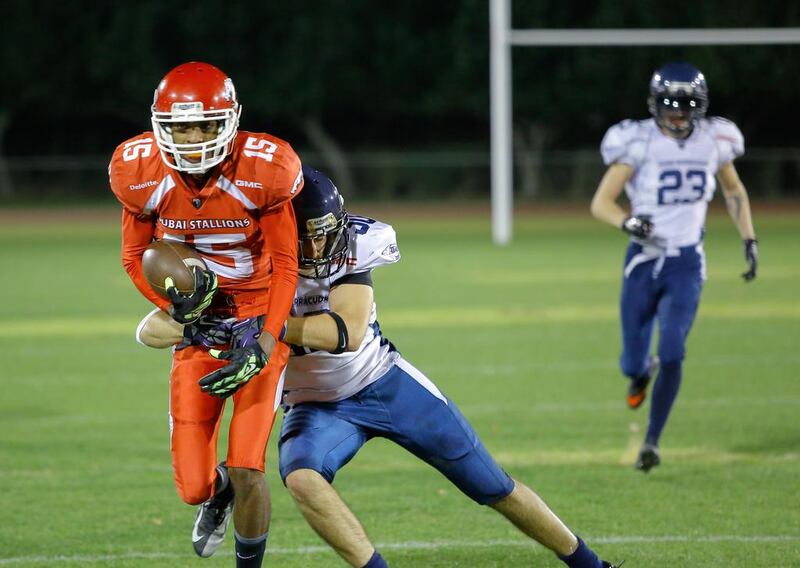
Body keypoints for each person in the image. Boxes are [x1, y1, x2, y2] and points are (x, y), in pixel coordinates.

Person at [138, 166, 620, 568]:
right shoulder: (242, 262)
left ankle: (589, 563)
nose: (316, 248)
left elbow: (342, 332)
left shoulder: (356, 244)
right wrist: (204, 328)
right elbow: (149, 330)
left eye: (323, 234)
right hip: (312, 405)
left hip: (381, 381)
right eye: (303, 237)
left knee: (492, 485)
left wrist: (263, 329)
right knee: (302, 477)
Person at [109, 61, 303, 566]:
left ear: (230, 121)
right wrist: (181, 313)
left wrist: (265, 340)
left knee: (247, 464)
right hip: (200, 325)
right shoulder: (140, 172)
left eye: (205, 125)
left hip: (258, 315)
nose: (193, 138)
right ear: (160, 126)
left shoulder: (263, 168)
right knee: (194, 487)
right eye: (181, 127)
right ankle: (216, 497)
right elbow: (134, 258)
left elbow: (286, 264)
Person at [590, 62, 758, 472]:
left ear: (700, 107)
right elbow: (601, 203)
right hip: (643, 263)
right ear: (655, 106)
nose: (679, 115)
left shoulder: (713, 142)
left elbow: (734, 192)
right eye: (670, 106)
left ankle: (652, 441)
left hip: (686, 262)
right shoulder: (639, 143)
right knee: (631, 362)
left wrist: (749, 239)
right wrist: (626, 221)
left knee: (674, 349)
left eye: (686, 106)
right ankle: (640, 372)